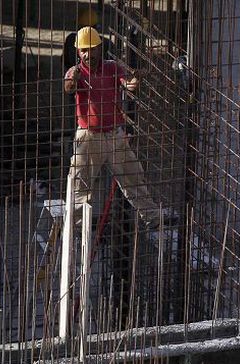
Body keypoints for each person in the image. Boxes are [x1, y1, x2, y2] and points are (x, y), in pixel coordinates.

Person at [64, 26, 161, 227]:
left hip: (115, 135)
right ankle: (75, 226)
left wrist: (137, 76)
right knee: (79, 185)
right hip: (88, 138)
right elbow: (68, 87)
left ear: (100, 48)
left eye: (93, 48)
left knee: (133, 176)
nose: (88, 53)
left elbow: (130, 85)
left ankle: (152, 217)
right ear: (78, 52)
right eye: (84, 50)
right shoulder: (76, 72)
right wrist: (72, 80)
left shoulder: (112, 67)